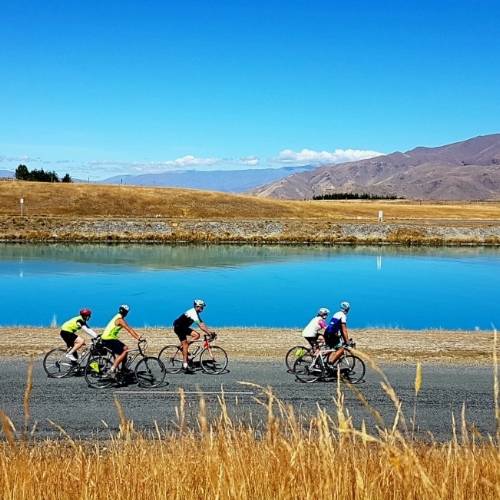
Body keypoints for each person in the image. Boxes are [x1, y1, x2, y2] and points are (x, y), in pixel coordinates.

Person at [101, 304, 142, 377]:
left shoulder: (117, 317)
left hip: (107, 338)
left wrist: (137, 336)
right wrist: (138, 338)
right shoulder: (120, 320)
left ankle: (123, 368)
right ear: (126, 313)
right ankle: (112, 369)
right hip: (108, 339)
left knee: (125, 348)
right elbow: (129, 329)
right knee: (124, 351)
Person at [173, 299, 212, 374]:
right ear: (197, 306)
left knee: (197, 335)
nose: (202, 309)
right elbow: (200, 326)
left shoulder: (196, 313)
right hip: (179, 327)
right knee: (185, 345)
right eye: (201, 307)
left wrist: (209, 332)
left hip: (184, 327)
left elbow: (202, 323)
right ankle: (185, 364)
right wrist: (209, 333)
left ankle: (183, 347)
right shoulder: (193, 313)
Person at [323, 301, 353, 365]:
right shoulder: (343, 316)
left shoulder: (337, 313)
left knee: (332, 349)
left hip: (327, 333)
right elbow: (344, 329)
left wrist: (343, 338)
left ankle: (326, 365)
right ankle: (330, 364)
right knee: (341, 349)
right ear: (347, 309)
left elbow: (339, 329)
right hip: (332, 335)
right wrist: (347, 342)